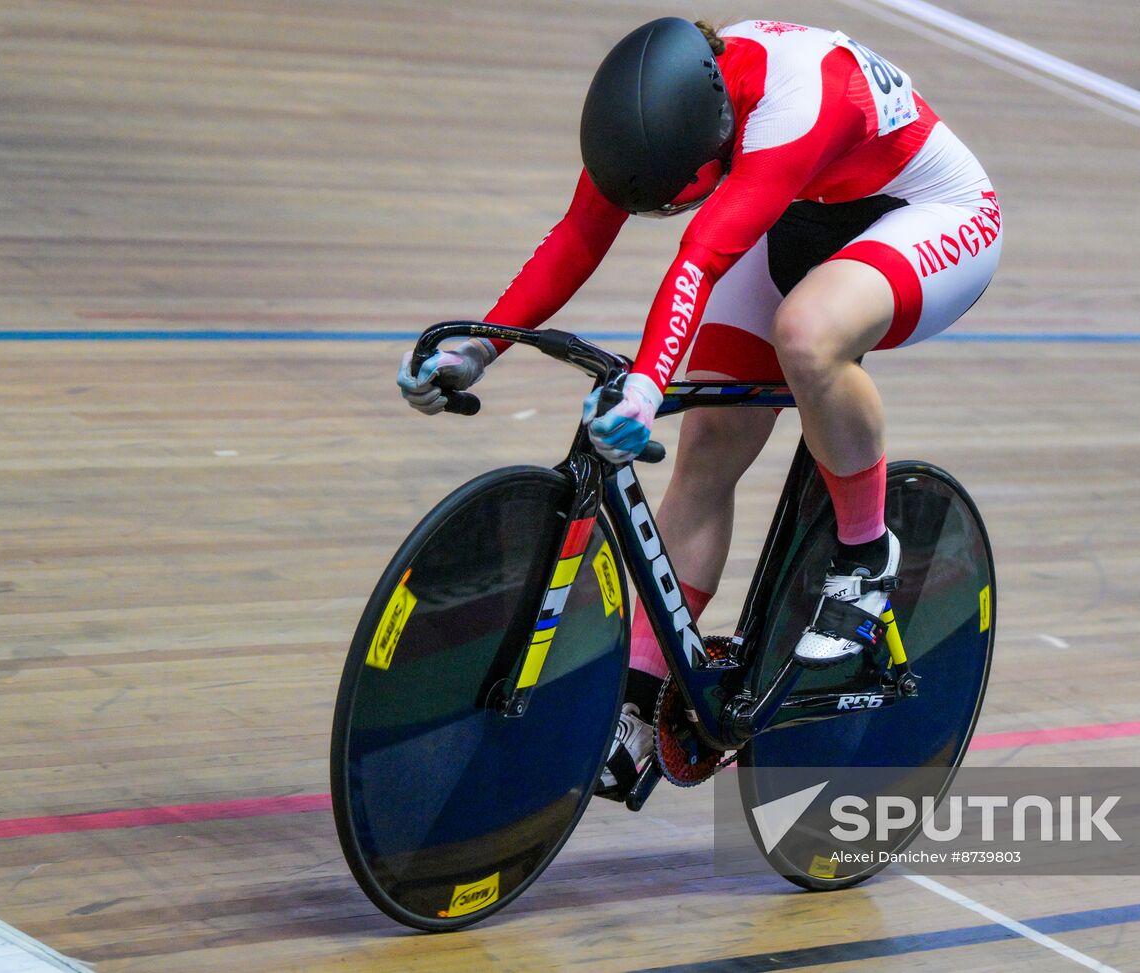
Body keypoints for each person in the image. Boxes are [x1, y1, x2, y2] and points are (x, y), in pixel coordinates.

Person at [398, 17, 1003, 794]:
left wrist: (647, 386)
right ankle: (644, 701)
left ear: (714, 138)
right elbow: (577, 239)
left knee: (809, 335)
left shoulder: (793, 100)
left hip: (930, 213)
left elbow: (702, 257)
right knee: (711, 443)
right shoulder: (662, 111)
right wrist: (476, 347)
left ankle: (864, 553)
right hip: (800, 206)